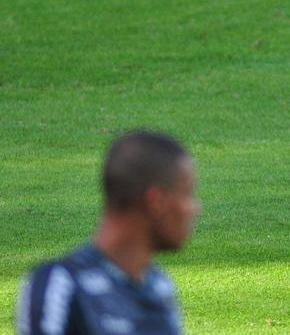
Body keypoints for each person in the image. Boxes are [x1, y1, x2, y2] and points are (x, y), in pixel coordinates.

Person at [15, 131, 201, 334]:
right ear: (156, 202)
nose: (195, 208)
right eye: (187, 194)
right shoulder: (62, 284)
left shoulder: (159, 288)